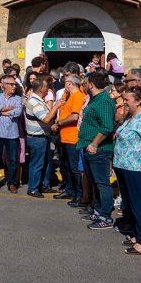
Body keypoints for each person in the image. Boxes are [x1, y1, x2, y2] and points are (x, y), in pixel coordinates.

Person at [113, 86, 141, 255]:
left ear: (138, 101)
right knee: (130, 204)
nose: (124, 102)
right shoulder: (130, 118)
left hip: (138, 168)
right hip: (124, 167)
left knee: (139, 204)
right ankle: (135, 234)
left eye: (127, 100)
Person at [77, 72, 116, 229]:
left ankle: (105, 216)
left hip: (99, 149)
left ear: (91, 84)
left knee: (102, 183)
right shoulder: (95, 100)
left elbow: (107, 126)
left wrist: (94, 144)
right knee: (95, 181)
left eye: (85, 83)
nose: (83, 86)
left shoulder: (104, 101)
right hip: (89, 146)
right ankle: (98, 210)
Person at [52, 74, 86, 203]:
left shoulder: (77, 96)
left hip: (73, 138)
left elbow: (75, 117)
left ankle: (79, 194)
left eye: (66, 82)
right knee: (66, 166)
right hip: (65, 137)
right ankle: (70, 190)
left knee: (74, 167)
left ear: (70, 83)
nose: (64, 84)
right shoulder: (67, 96)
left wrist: (59, 123)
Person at [0, 74, 23, 193]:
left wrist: (2, 111)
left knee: (12, 160)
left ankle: (12, 183)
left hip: (12, 134)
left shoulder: (17, 98)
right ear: (3, 86)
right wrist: (7, 109)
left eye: (15, 84)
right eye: (11, 84)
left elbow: (18, 111)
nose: (14, 86)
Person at [25, 76, 58, 198]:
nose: (48, 90)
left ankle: (43, 186)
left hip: (42, 136)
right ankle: (33, 188)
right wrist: (56, 106)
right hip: (37, 138)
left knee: (44, 163)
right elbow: (46, 118)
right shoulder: (34, 102)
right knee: (37, 164)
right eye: (46, 87)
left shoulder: (39, 100)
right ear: (41, 89)